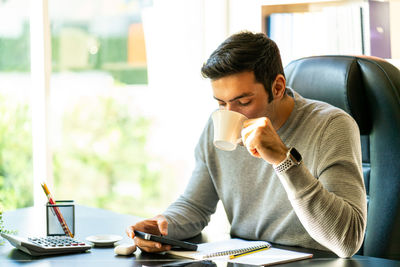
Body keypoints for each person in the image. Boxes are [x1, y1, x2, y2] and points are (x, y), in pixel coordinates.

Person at [126, 31, 367, 258]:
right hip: (246, 259)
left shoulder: (332, 127)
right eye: (221, 103)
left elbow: (346, 242)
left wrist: (284, 160)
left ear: (278, 87)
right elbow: (195, 205)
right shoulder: (216, 126)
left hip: (314, 261)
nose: (230, 114)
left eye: (243, 101)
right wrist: (163, 226)